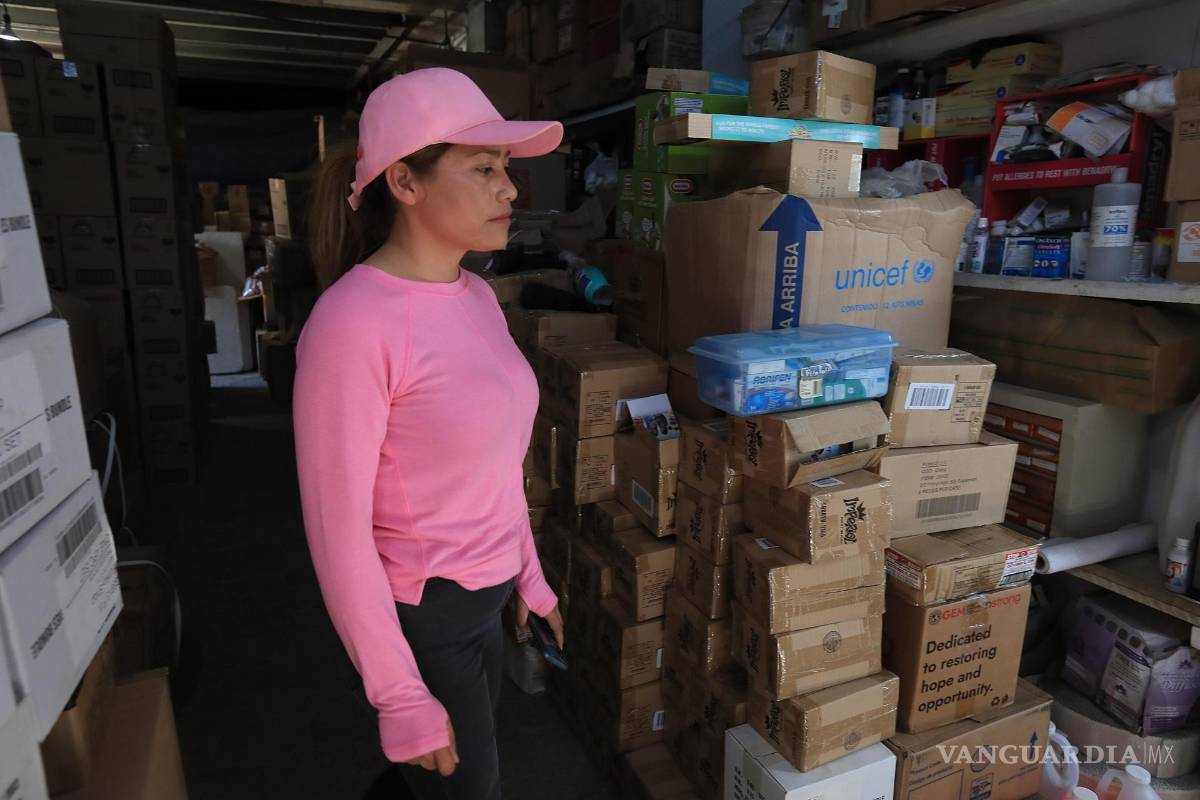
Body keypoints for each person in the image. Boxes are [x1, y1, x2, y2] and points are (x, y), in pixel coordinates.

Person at [293, 68, 566, 800]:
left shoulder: (476, 296)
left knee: (450, 781)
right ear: (405, 182)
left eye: (505, 167)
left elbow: (498, 467)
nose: (509, 190)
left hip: (486, 599)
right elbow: (337, 530)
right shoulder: (351, 326)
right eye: (484, 168)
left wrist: (528, 576)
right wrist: (398, 694)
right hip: (424, 618)